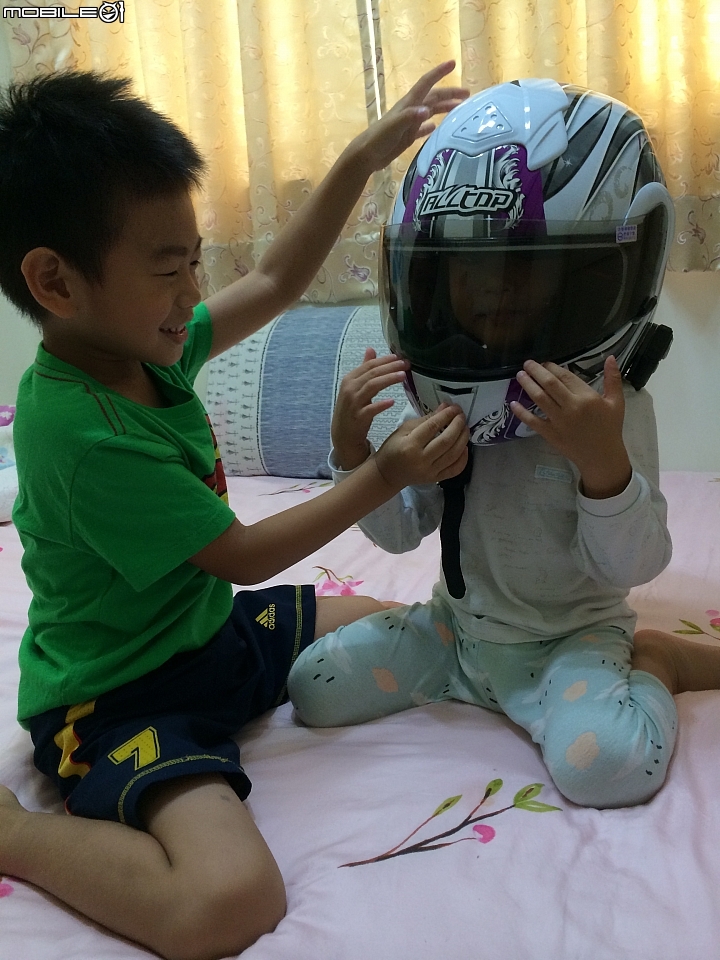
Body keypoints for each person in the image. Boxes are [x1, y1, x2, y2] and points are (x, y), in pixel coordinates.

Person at [0, 64, 470, 960]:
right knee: (232, 901)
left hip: (208, 638)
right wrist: (382, 474)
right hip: (118, 698)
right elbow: (247, 554)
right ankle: (14, 833)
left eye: (194, 261)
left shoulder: (145, 347)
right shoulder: (81, 433)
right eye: (168, 269)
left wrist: (360, 159)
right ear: (56, 282)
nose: (193, 291)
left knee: (413, 627)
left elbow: (277, 279)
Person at [287, 78, 720, 812]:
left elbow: (637, 564)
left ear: (583, 280)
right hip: (456, 632)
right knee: (313, 688)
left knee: (607, 768)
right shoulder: (444, 398)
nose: (492, 290)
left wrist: (602, 466)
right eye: (470, 270)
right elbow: (401, 534)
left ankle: (662, 661)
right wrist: (355, 455)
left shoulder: (604, 411)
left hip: (571, 643)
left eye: (523, 269)